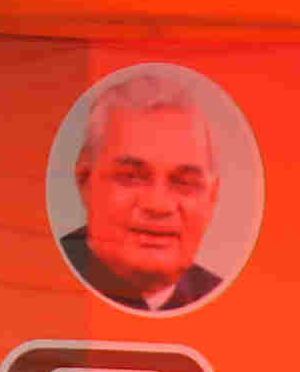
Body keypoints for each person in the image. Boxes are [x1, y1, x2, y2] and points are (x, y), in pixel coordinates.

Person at [62, 68, 235, 313]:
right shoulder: (40, 278)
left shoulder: (224, 301)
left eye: (184, 182)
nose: (158, 205)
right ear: (84, 180)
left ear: (212, 196)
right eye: (132, 177)